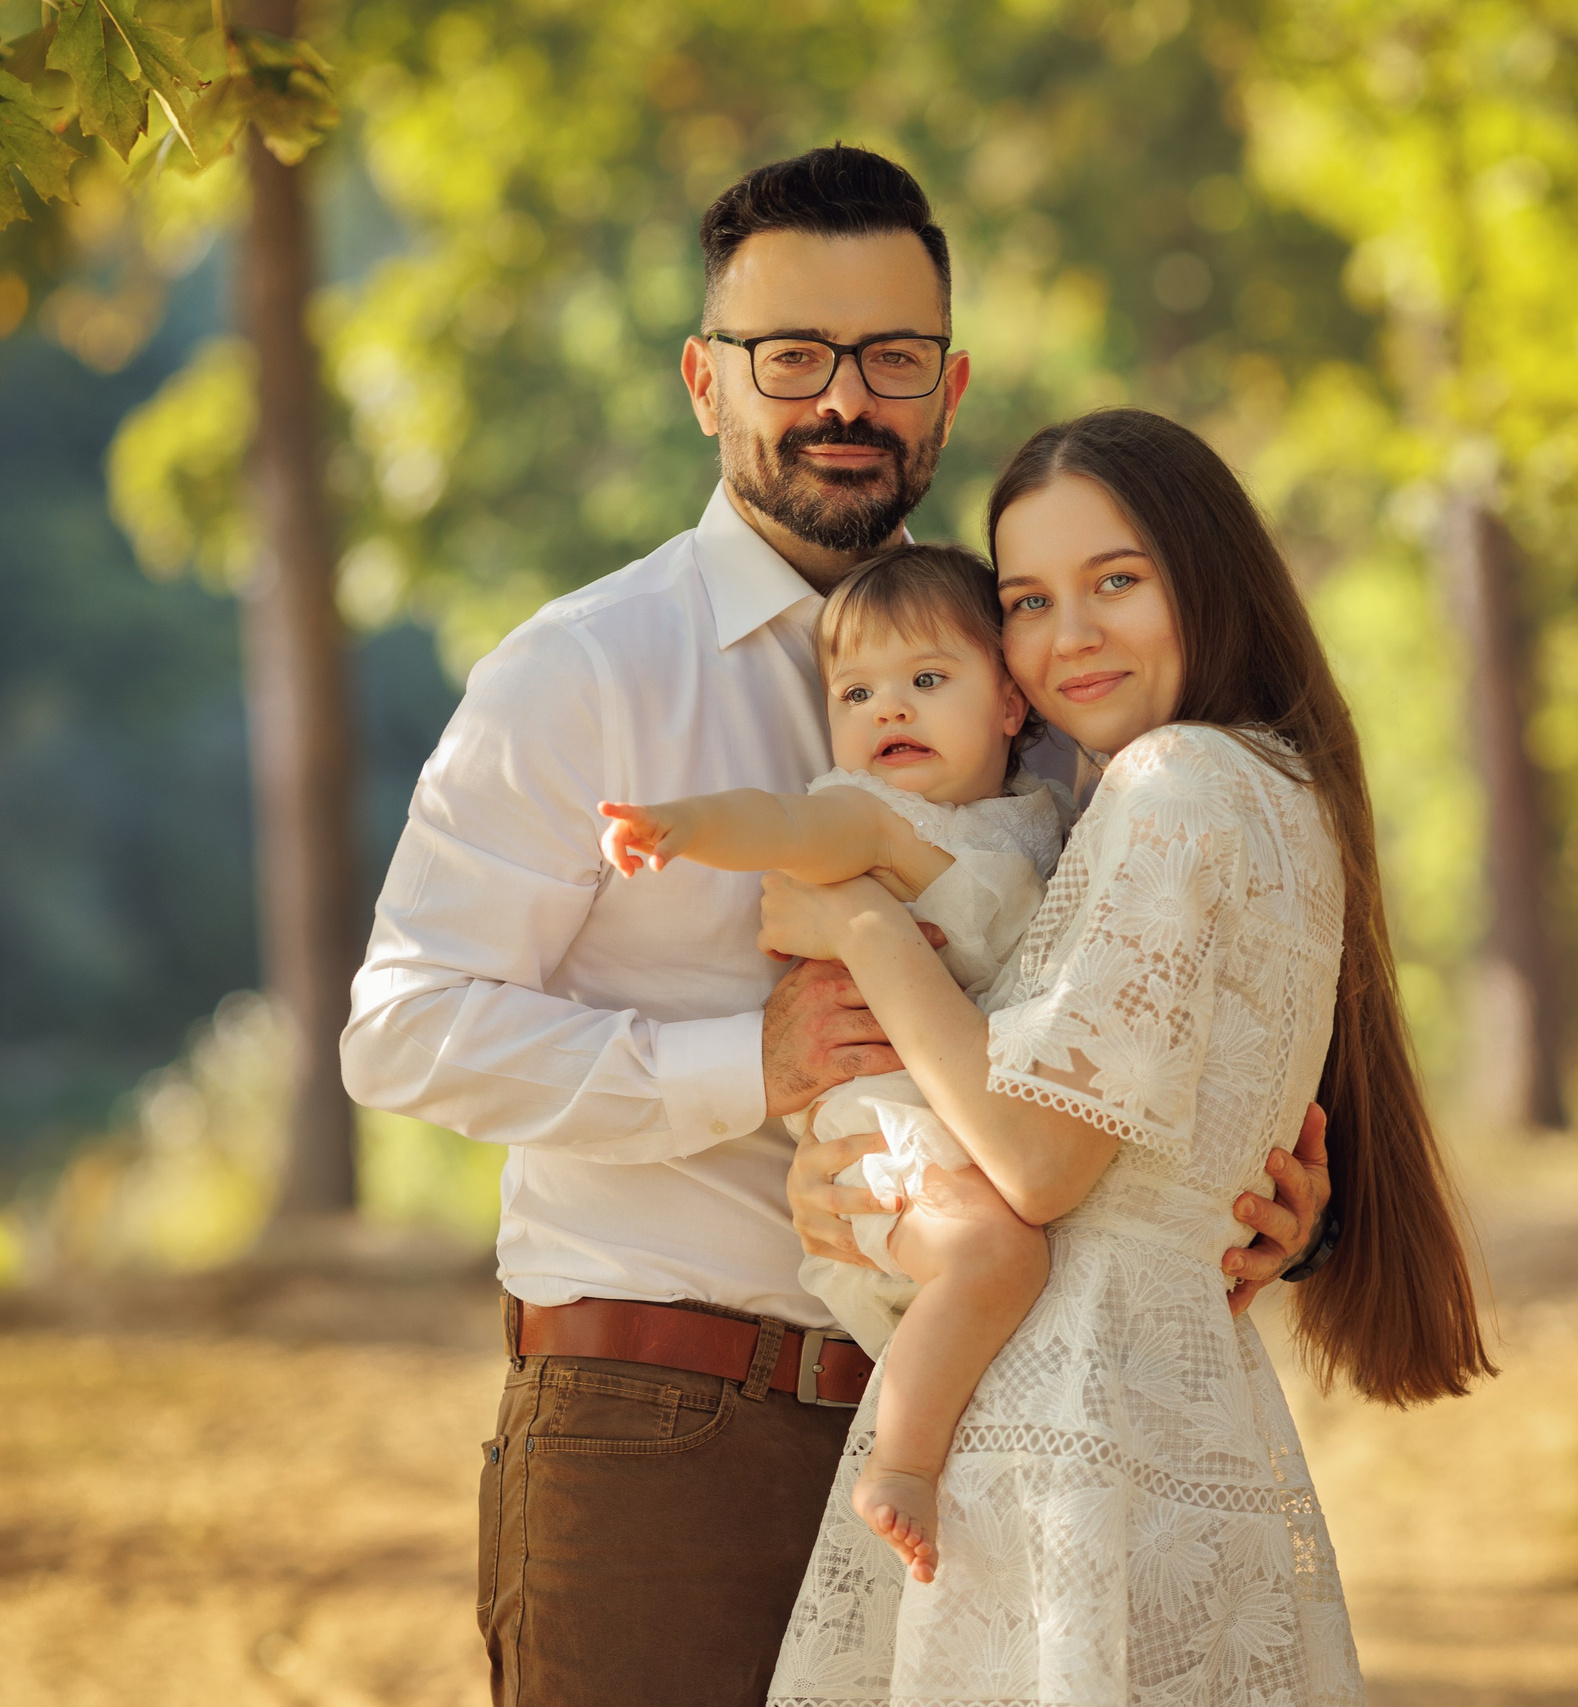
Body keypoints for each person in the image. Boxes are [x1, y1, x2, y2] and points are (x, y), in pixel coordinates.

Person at [339, 147, 1329, 1707]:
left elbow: (1115, 1013)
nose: (844, 399)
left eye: (892, 358)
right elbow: (400, 1027)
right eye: (791, 356)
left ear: (949, 385)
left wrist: (1258, 1200)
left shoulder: (1029, 683)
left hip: (986, 1424)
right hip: (664, 1429)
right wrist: (753, 1060)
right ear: (704, 380)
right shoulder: (583, 673)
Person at [761, 408, 1492, 1707]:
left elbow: (1039, 1160)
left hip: (1068, 1447)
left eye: (1117, 580)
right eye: (1030, 600)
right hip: (1176, 1425)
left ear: (1207, 573)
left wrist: (868, 922)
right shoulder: (1278, 793)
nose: (1070, 636)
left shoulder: (1171, 784)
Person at [600, 541, 1071, 1584]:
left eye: (927, 681)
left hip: (979, 1132)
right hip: (886, 1136)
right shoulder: (870, 816)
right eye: (855, 691)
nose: (888, 710)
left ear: (1009, 701)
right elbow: (779, 823)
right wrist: (680, 827)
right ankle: (900, 1468)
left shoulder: (1039, 821)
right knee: (1002, 1261)